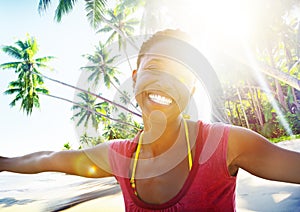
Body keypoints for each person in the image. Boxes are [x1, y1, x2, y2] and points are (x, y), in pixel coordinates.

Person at [1, 29, 300, 211]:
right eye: (155, 66)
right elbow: (49, 158)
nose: (166, 82)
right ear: (135, 78)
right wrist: (4, 163)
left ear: (190, 91)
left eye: (180, 75)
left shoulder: (227, 144)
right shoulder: (120, 157)